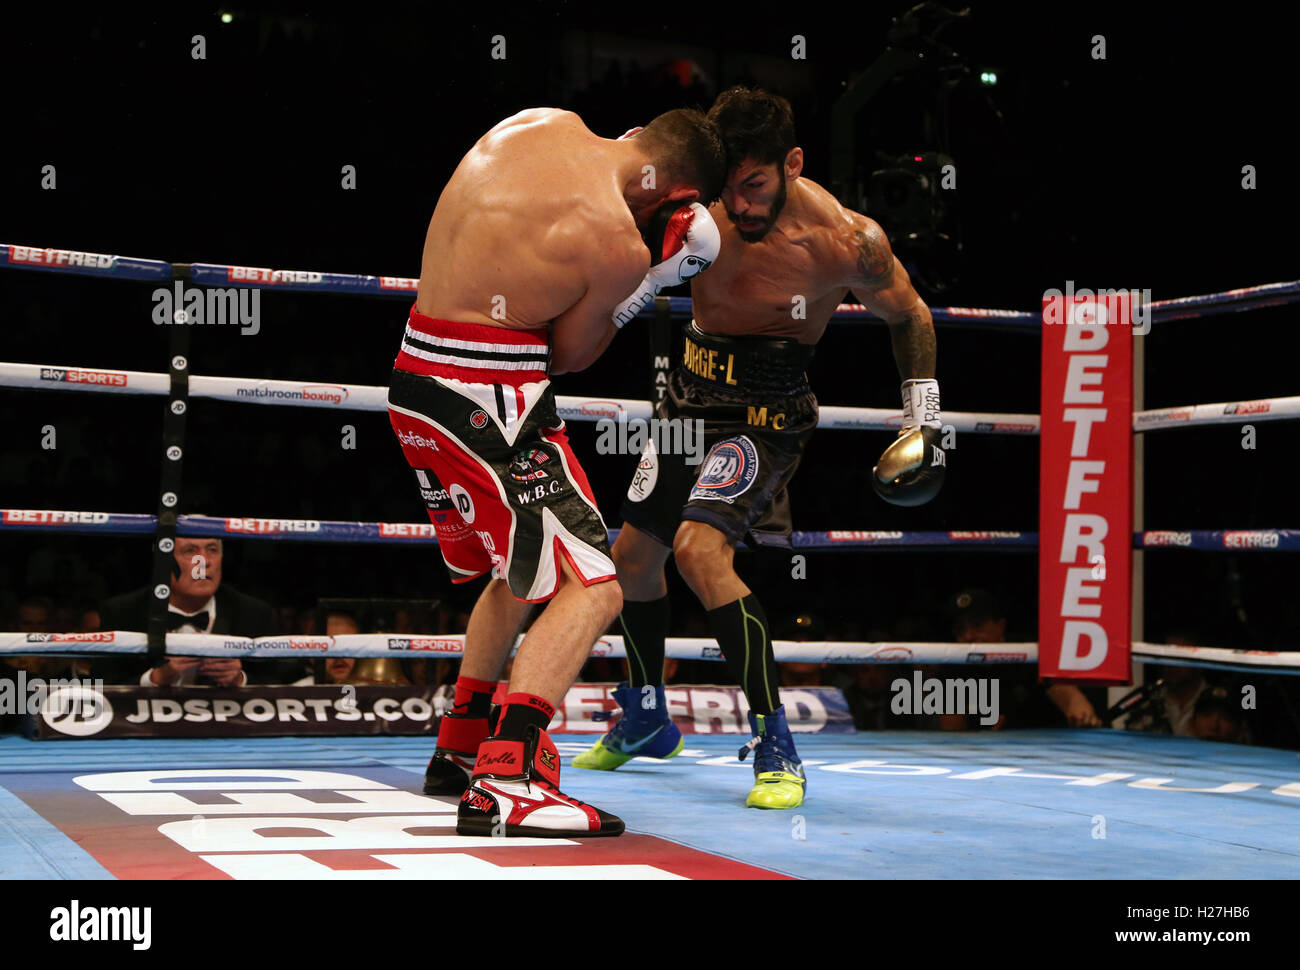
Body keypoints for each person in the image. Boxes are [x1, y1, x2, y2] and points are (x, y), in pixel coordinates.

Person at [574, 87, 944, 810]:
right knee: (630, 561)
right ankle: (647, 716)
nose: (739, 207)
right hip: (688, 393)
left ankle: (776, 743)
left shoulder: (845, 240)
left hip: (766, 411)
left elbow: (911, 313)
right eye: (728, 188)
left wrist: (922, 419)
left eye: (755, 186)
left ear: (793, 164)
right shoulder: (697, 206)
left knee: (698, 551)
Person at [388, 106, 724, 837]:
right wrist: (651, 279)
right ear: (674, 196)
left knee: (517, 573)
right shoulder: (614, 241)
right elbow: (568, 356)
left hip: (415, 375)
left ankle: (462, 743)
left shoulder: (539, 121)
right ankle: (510, 778)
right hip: (489, 393)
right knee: (594, 584)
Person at [92, 537, 294, 686]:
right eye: (190, 551)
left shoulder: (254, 613)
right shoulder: (123, 611)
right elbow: (101, 686)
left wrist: (240, 679)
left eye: (212, 550)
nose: (204, 561)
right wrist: (156, 679)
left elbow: (278, 683)